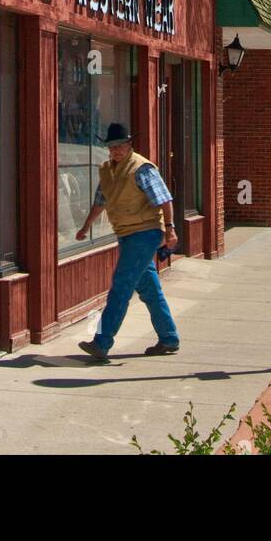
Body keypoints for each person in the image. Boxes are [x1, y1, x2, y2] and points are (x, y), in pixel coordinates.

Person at [76, 122, 179, 362]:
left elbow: (165, 200)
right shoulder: (107, 170)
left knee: (121, 286)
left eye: (120, 146)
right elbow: (101, 201)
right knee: (149, 289)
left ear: (129, 144)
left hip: (146, 233)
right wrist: (86, 226)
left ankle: (102, 342)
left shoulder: (141, 168)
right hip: (126, 233)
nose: (116, 151)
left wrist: (170, 229)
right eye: (111, 147)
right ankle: (169, 338)